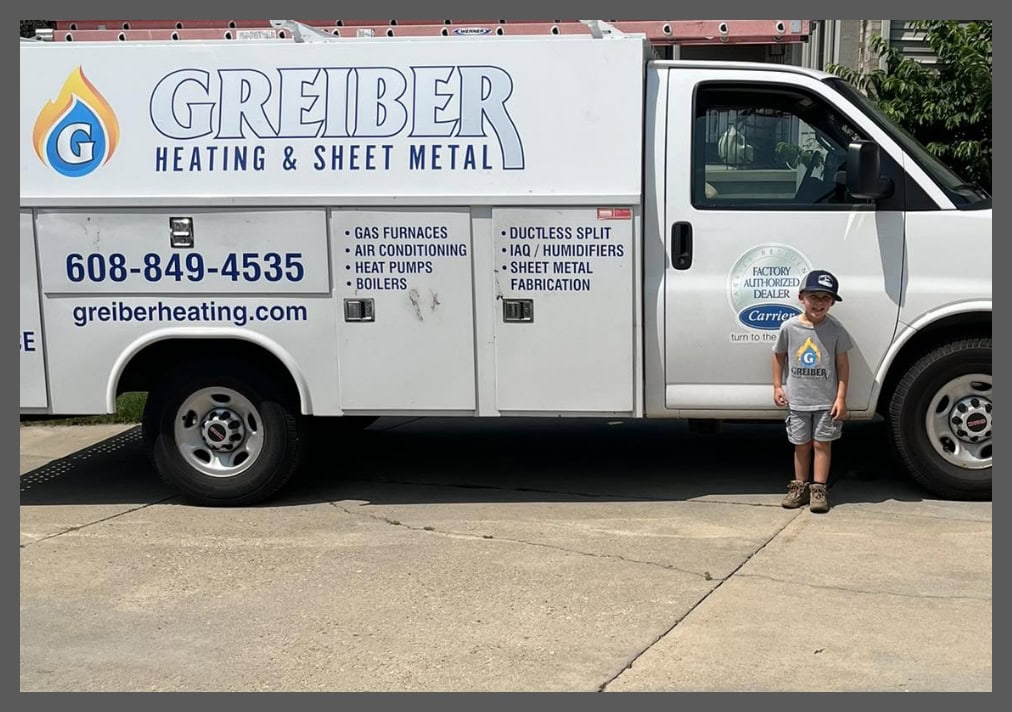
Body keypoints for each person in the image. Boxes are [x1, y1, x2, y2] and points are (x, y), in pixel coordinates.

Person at [771, 270, 852, 513]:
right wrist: (777, 385)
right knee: (801, 445)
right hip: (798, 401)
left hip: (825, 403)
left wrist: (840, 397)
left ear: (832, 303)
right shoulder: (789, 328)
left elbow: (842, 366)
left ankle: (819, 489)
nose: (819, 303)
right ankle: (799, 487)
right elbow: (778, 356)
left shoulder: (836, 330)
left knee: (822, 444)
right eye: (813, 296)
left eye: (826, 298)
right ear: (801, 297)